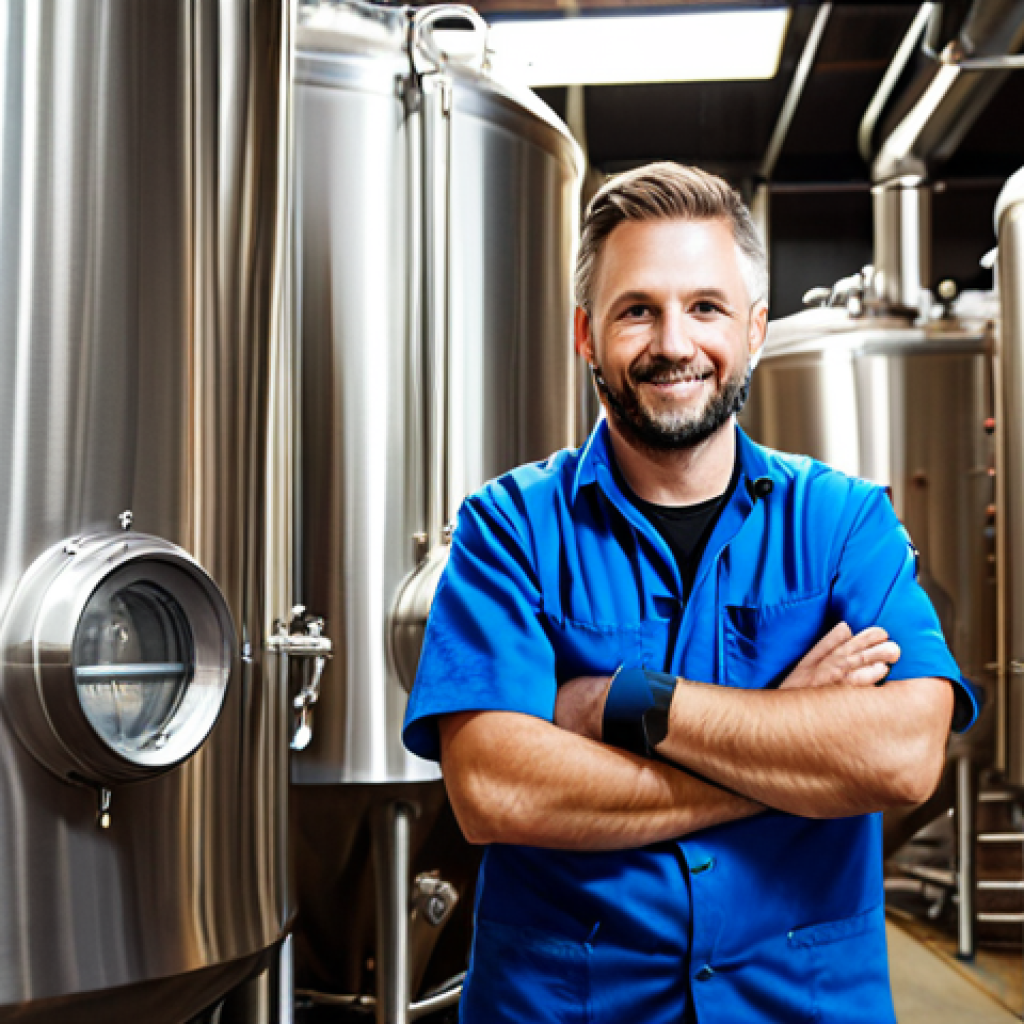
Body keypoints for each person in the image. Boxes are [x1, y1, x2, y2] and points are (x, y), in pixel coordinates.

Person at [402, 163, 977, 1024]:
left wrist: (622, 705)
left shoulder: (843, 523)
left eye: (705, 307)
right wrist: (789, 758)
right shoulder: (508, 527)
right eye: (638, 309)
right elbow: (495, 792)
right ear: (585, 336)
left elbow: (902, 757)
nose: (674, 342)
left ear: (754, 330)